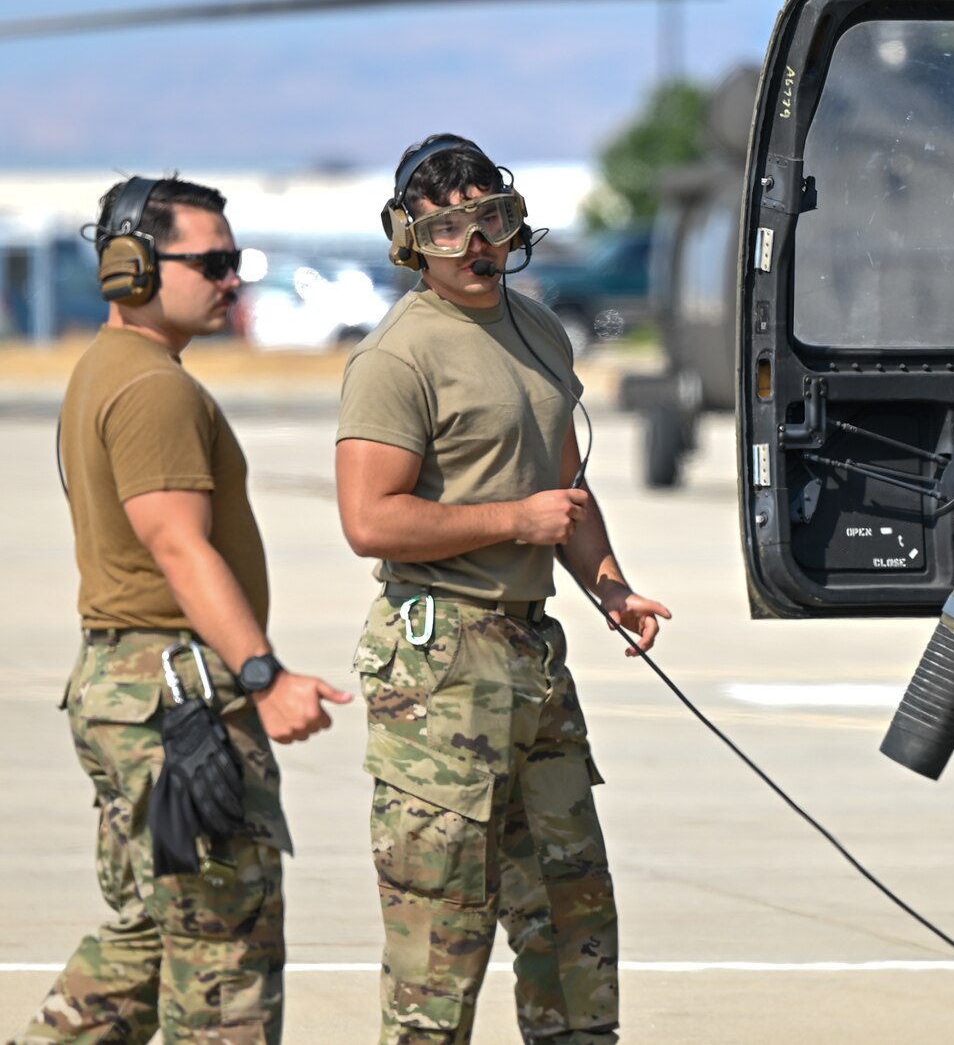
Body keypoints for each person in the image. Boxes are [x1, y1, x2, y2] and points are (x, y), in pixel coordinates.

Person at [334, 136, 670, 1045]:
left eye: (492, 218)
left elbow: (566, 488)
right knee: (441, 942)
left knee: (572, 917)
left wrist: (611, 587)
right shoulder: (397, 359)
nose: (476, 243)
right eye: (448, 228)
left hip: (531, 652)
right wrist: (512, 522)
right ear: (412, 241)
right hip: (438, 665)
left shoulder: (538, 331)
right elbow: (370, 519)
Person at [17, 176, 350, 1045]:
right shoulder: (154, 389)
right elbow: (178, 545)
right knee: (222, 955)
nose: (231, 278)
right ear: (132, 267)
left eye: (232, 260)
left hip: (133, 689)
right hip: (178, 701)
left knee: (152, 938)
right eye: (212, 261)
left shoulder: (111, 369)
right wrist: (263, 675)